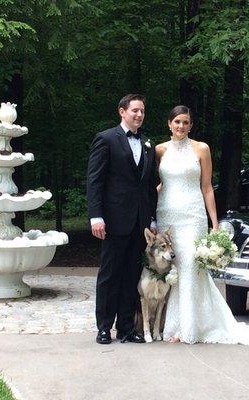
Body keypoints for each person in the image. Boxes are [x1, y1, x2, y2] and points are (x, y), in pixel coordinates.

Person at [156, 105, 249, 345]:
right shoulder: (160, 150)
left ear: (191, 125)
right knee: (174, 271)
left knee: (191, 266)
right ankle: (171, 325)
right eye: (177, 122)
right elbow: (156, 183)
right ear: (169, 124)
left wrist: (215, 222)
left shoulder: (201, 149)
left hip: (193, 215)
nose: (181, 126)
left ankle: (188, 329)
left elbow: (207, 187)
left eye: (186, 122)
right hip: (167, 214)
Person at [87, 94, 158, 344]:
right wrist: (96, 216)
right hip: (114, 219)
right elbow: (95, 180)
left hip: (139, 222)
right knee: (110, 275)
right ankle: (104, 327)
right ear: (122, 112)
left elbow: (149, 186)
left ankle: (126, 328)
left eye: (142, 111)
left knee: (131, 276)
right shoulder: (106, 139)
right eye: (135, 110)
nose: (139, 115)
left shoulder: (149, 143)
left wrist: (152, 219)